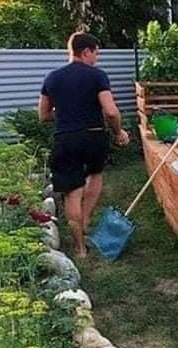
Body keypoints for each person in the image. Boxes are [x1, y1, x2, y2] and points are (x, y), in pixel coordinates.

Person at [38, 32, 130, 258]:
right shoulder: (96, 75)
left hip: (65, 138)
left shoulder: (52, 77)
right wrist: (119, 132)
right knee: (95, 175)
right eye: (96, 53)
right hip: (93, 136)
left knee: (72, 194)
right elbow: (110, 111)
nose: (96, 58)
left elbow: (43, 115)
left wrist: (66, 113)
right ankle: (86, 218)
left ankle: (80, 248)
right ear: (86, 51)